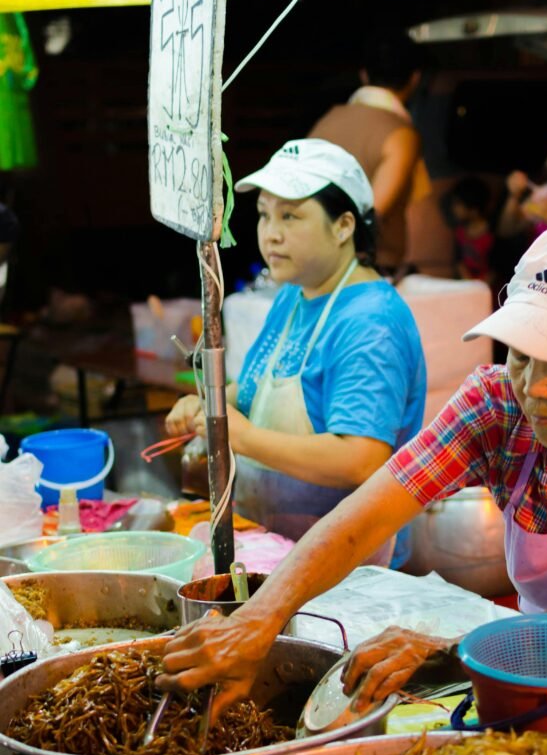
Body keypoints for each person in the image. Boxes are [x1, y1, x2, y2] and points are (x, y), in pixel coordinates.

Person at [159, 218, 547, 718]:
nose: (534, 389)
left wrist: (454, 652)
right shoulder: (495, 400)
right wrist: (257, 623)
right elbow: (364, 517)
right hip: (538, 654)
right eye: (520, 356)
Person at [165, 138, 426, 567]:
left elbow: (360, 458)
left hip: (349, 564)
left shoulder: (370, 321)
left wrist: (244, 438)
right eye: (265, 215)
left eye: (291, 215)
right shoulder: (294, 296)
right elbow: (253, 391)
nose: (271, 233)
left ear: (343, 226)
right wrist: (209, 405)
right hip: (277, 550)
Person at [308, 32, 429, 273]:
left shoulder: (326, 121)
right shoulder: (401, 134)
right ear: (415, 78)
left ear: (364, 74)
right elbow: (372, 214)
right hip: (368, 268)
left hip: (316, 263)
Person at [449, 176, 495, 285]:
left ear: (474, 209)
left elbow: (496, 269)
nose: (453, 208)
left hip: (487, 289)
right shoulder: (460, 232)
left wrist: (479, 287)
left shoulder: (492, 235)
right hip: (467, 287)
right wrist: (468, 282)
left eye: (458, 204)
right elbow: (459, 260)